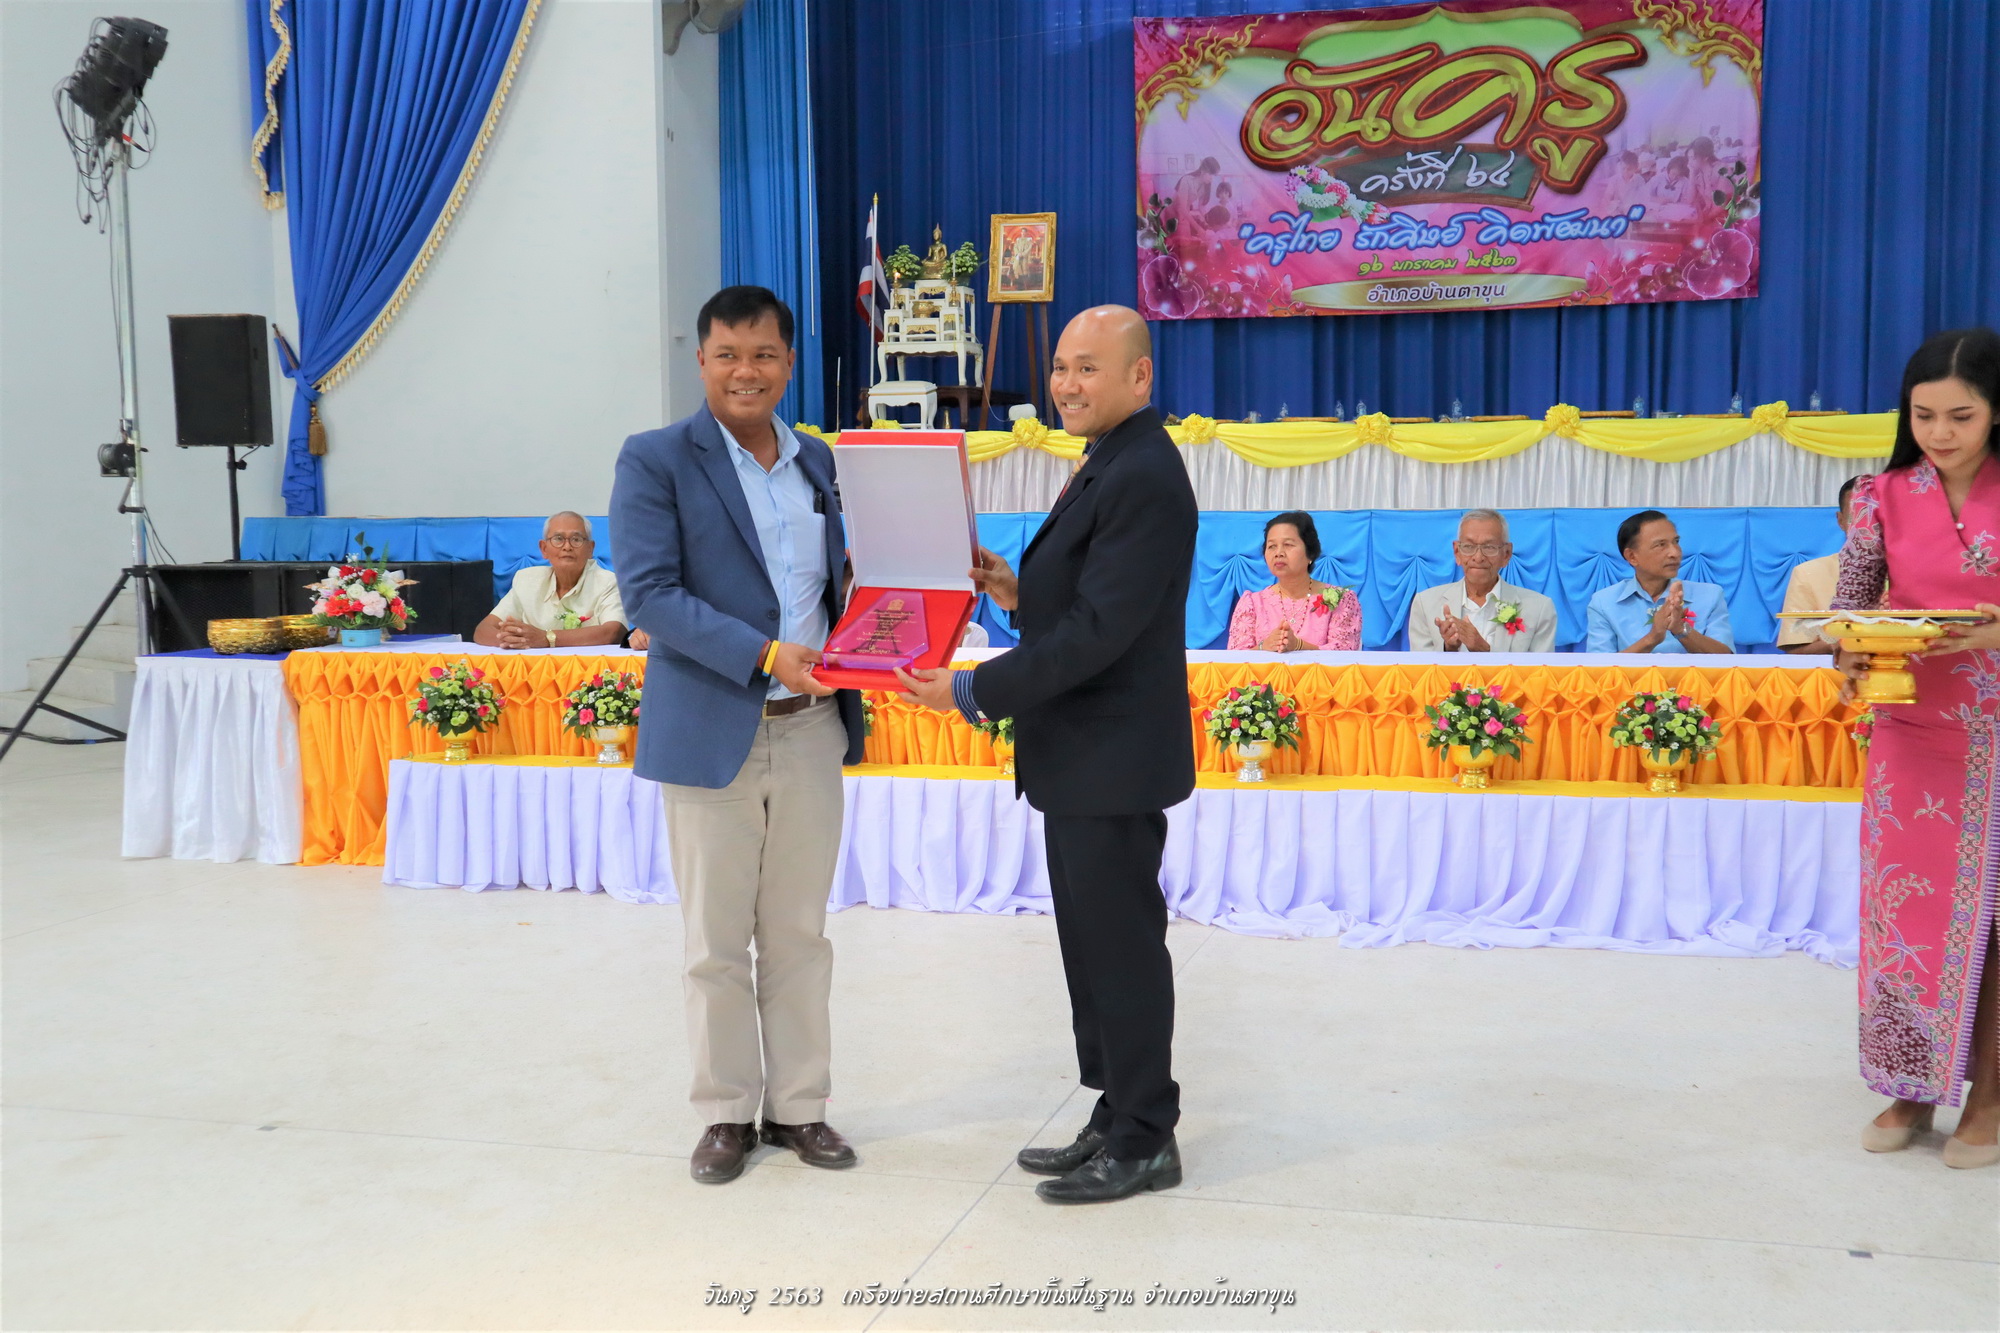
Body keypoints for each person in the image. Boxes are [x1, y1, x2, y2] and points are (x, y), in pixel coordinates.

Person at [893, 305, 1197, 1204]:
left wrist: (971, 689)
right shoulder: (1108, 458)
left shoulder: (1143, 471)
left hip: (1112, 758)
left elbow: (1102, 632)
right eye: (1061, 366)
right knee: (1092, 949)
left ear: (1139, 376)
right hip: (1080, 756)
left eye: (1088, 368)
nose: (1066, 383)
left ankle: (1146, 1135)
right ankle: (1115, 1107)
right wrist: (1020, 593)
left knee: (1122, 949)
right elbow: (1088, 602)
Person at [608, 285, 867, 1185]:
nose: (745, 371)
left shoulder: (818, 460)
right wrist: (763, 654)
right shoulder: (655, 459)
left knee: (799, 933)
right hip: (711, 724)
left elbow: (840, 582)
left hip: (812, 727)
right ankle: (724, 1112)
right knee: (715, 942)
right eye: (727, 355)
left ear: (789, 363)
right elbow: (650, 594)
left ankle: (799, 1106)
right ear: (702, 362)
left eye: (763, 355)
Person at [1833, 326, 2000, 1169]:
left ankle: (1991, 1095)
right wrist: (1851, 656)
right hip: (1914, 728)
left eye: (1961, 416)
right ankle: (1910, 1083)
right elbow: (1850, 610)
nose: (1939, 433)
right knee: (1907, 906)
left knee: (1994, 918)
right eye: (1923, 415)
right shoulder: (1880, 496)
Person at [1407, 509, 1558, 653]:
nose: (1478, 557)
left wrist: (1483, 650)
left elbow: (1540, 671)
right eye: (1469, 547)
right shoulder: (1425, 604)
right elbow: (1421, 669)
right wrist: (1449, 649)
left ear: (1506, 554)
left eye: (1489, 547)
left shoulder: (1539, 609)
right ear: (1457, 552)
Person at [473, 512, 628, 649]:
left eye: (576, 539)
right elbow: (483, 629)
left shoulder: (607, 582)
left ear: (590, 549)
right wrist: (512, 641)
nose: (567, 547)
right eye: (558, 539)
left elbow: (613, 631)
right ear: (544, 549)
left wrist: (546, 638)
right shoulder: (526, 580)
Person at [1585, 511, 1735, 654]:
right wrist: (1652, 638)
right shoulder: (1604, 603)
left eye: (1676, 542)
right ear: (1632, 557)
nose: (1675, 553)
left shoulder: (1710, 595)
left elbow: (1727, 660)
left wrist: (1681, 629)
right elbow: (1598, 667)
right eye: (1660, 545)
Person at [1225, 511, 1360, 651]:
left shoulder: (1340, 600)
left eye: (1288, 545)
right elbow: (1235, 659)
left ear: (1310, 553)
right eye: (1271, 546)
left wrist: (1299, 646)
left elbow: (1345, 654)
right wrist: (1263, 647)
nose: (1278, 553)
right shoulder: (1252, 603)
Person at [1776, 476, 1864, 653]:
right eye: (1857, 517)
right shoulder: (1809, 574)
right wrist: (1851, 640)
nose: (1868, 526)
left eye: (1878, 516)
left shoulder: (1916, 573)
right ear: (1840, 520)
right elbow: (1796, 651)